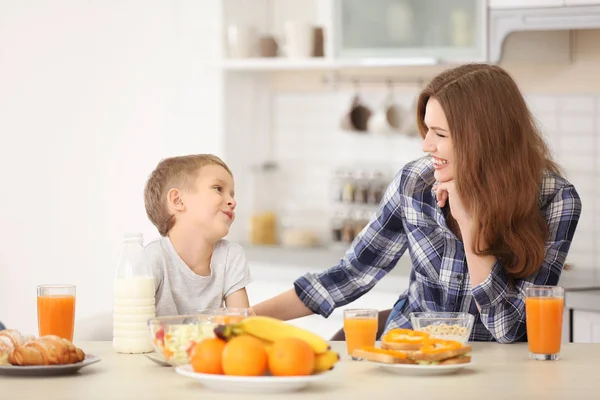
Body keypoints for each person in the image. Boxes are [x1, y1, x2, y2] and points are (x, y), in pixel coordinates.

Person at [253, 63, 582, 343]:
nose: (426, 145)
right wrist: (246, 318)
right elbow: (352, 274)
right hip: (409, 353)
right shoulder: (415, 183)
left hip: (498, 372)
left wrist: (472, 227)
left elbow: (509, 328)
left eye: (440, 134)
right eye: (426, 130)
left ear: (483, 140)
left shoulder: (555, 200)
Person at [142, 154, 252, 316]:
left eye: (232, 194)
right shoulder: (152, 259)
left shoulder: (230, 256)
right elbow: (134, 330)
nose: (232, 202)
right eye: (218, 189)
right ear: (178, 200)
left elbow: (240, 326)